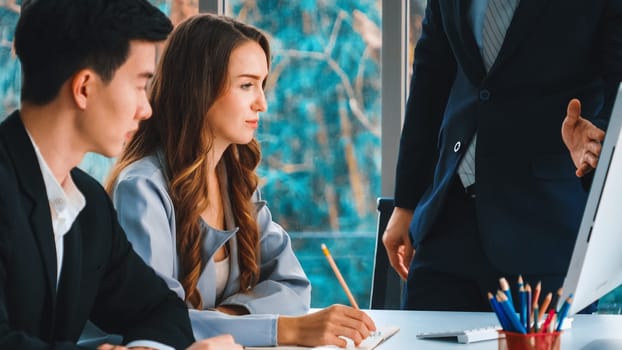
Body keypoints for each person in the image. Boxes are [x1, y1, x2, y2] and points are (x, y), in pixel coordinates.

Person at [105, 13, 376, 348]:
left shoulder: (236, 181)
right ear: (199, 89)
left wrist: (229, 316)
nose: (261, 102)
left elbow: (293, 286)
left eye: (262, 84)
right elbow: (154, 324)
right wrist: (282, 329)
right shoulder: (141, 188)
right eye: (247, 85)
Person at [0, 1, 242, 349]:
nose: (147, 108)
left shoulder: (89, 204)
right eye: (140, 85)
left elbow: (161, 309)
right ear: (84, 87)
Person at [382, 0, 622, 311]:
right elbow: (431, 78)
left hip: (545, 226)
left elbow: (619, 84)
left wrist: (598, 140)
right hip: (446, 221)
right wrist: (407, 202)